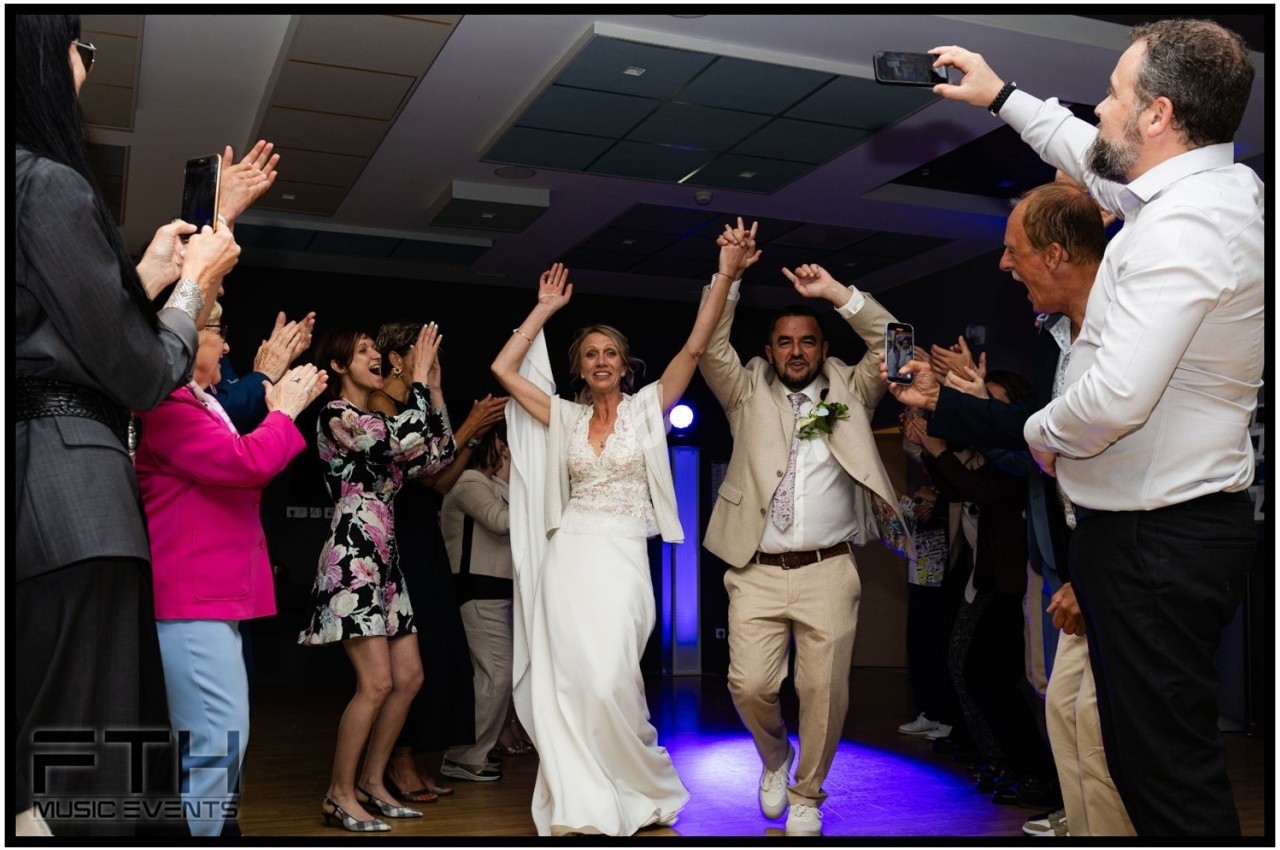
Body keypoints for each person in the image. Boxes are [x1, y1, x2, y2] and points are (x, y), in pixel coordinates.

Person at [929, 21, 1262, 835]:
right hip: (1154, 534)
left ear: (1158, 114)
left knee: (1164, 782)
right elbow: (1090, 156)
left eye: (1114, 95)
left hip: (1159, 540)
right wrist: (1002, 96)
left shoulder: (1186, 227)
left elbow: (1114, 400)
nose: (1101, 108)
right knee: (1146, 767)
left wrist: (1036, 432)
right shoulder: (1195, 193)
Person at [13, 14, 249, 837]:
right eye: (83, 48)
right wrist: (195, 290)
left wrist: (145, 275)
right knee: (83, 764)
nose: (87, 63)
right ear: (47, 56)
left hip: (34, 493)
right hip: (78, 503)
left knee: (39, 757)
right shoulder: (44, 181)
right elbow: (143, 374)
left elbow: (60, 329)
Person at [492, 223, 755, 833]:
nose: (602, 361)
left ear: (623, 363)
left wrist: (724, 273)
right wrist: (544, 308)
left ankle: (639, 781)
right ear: (579, 368)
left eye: (611, 352)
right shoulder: (561, 414)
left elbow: (693, 347)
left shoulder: (647, 409)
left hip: (623, 557)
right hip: (569, 556)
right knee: (575, 681)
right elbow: (504, 369)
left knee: (612, 677)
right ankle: (584, 795)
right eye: (591, 354)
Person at [887, 181, 1132, 836]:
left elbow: (1104, 456)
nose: (1002, 264)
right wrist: (950, 402)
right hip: (1074, 563)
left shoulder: (1127, 333)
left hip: (1114, 564)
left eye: (1012, 250)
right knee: (1072, 720)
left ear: (1054, 254)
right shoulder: (1063, 340)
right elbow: (1037, 431)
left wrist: (1095, 575)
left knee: (1109, 739)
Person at [697, 230, 913, 835]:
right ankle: (774, 758)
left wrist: (837, 294)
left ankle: (807, 794)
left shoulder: (853, 388)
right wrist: (729, 275)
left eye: (807, 341)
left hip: (829, 569)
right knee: (750, 685)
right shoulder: (742, 390)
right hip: (755, 570)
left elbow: (897, 345)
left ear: (822, 347)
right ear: (768, 350)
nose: (796, 351)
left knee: (823, 690)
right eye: (785, 342)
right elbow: (709, 341)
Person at [134, 302, 326, 836]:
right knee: (216, 745)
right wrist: (283, 411)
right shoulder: (166, 404)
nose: (227, 345)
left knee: (218, 746)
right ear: (184, 342)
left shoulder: (196, 402)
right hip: (191, 597)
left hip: (212, 594)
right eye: (217, 331)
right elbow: (245, 464)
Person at [298, 323, 457, 832]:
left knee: (408, 678)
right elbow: (399, 437)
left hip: (385, 559)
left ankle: (371, 781)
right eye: (362, 350)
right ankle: (338, 792)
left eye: (374, 349)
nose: (375, 358)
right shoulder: (336, 416)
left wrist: (430, 386)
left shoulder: (373, 417)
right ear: (340, 366)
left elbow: (438, 454)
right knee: (376, 682)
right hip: (353, 553)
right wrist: (413, 384)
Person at [368, 322, 507, 799]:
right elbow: (427, 474)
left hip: (422, 537)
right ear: (398, 360)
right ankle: (396, 760)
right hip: (393, 538)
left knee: (439, 654)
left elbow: (444, 477)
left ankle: (415, 756)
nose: (433, 365)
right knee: (410, 658)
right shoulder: (379, 405)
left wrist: (441, 392)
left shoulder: (418, 403)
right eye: (425, 355)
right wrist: (470, 423)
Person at [439, 426, 518, 782]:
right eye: (505, 443)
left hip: (495, 592)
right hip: (477, 590)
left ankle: (472, 751)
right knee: (495, 674)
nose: (509, 450)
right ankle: (464, 756)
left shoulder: (493, 484)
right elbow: (503, 522)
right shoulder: (470, 481)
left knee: (496, 674)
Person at [216, 309, 317, 432]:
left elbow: (240, 423)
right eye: (217, 332)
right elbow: (216, 415)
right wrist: (264, 373)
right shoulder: (188, 386)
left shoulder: (220, 362)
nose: (227, 347)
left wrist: (278, 366)